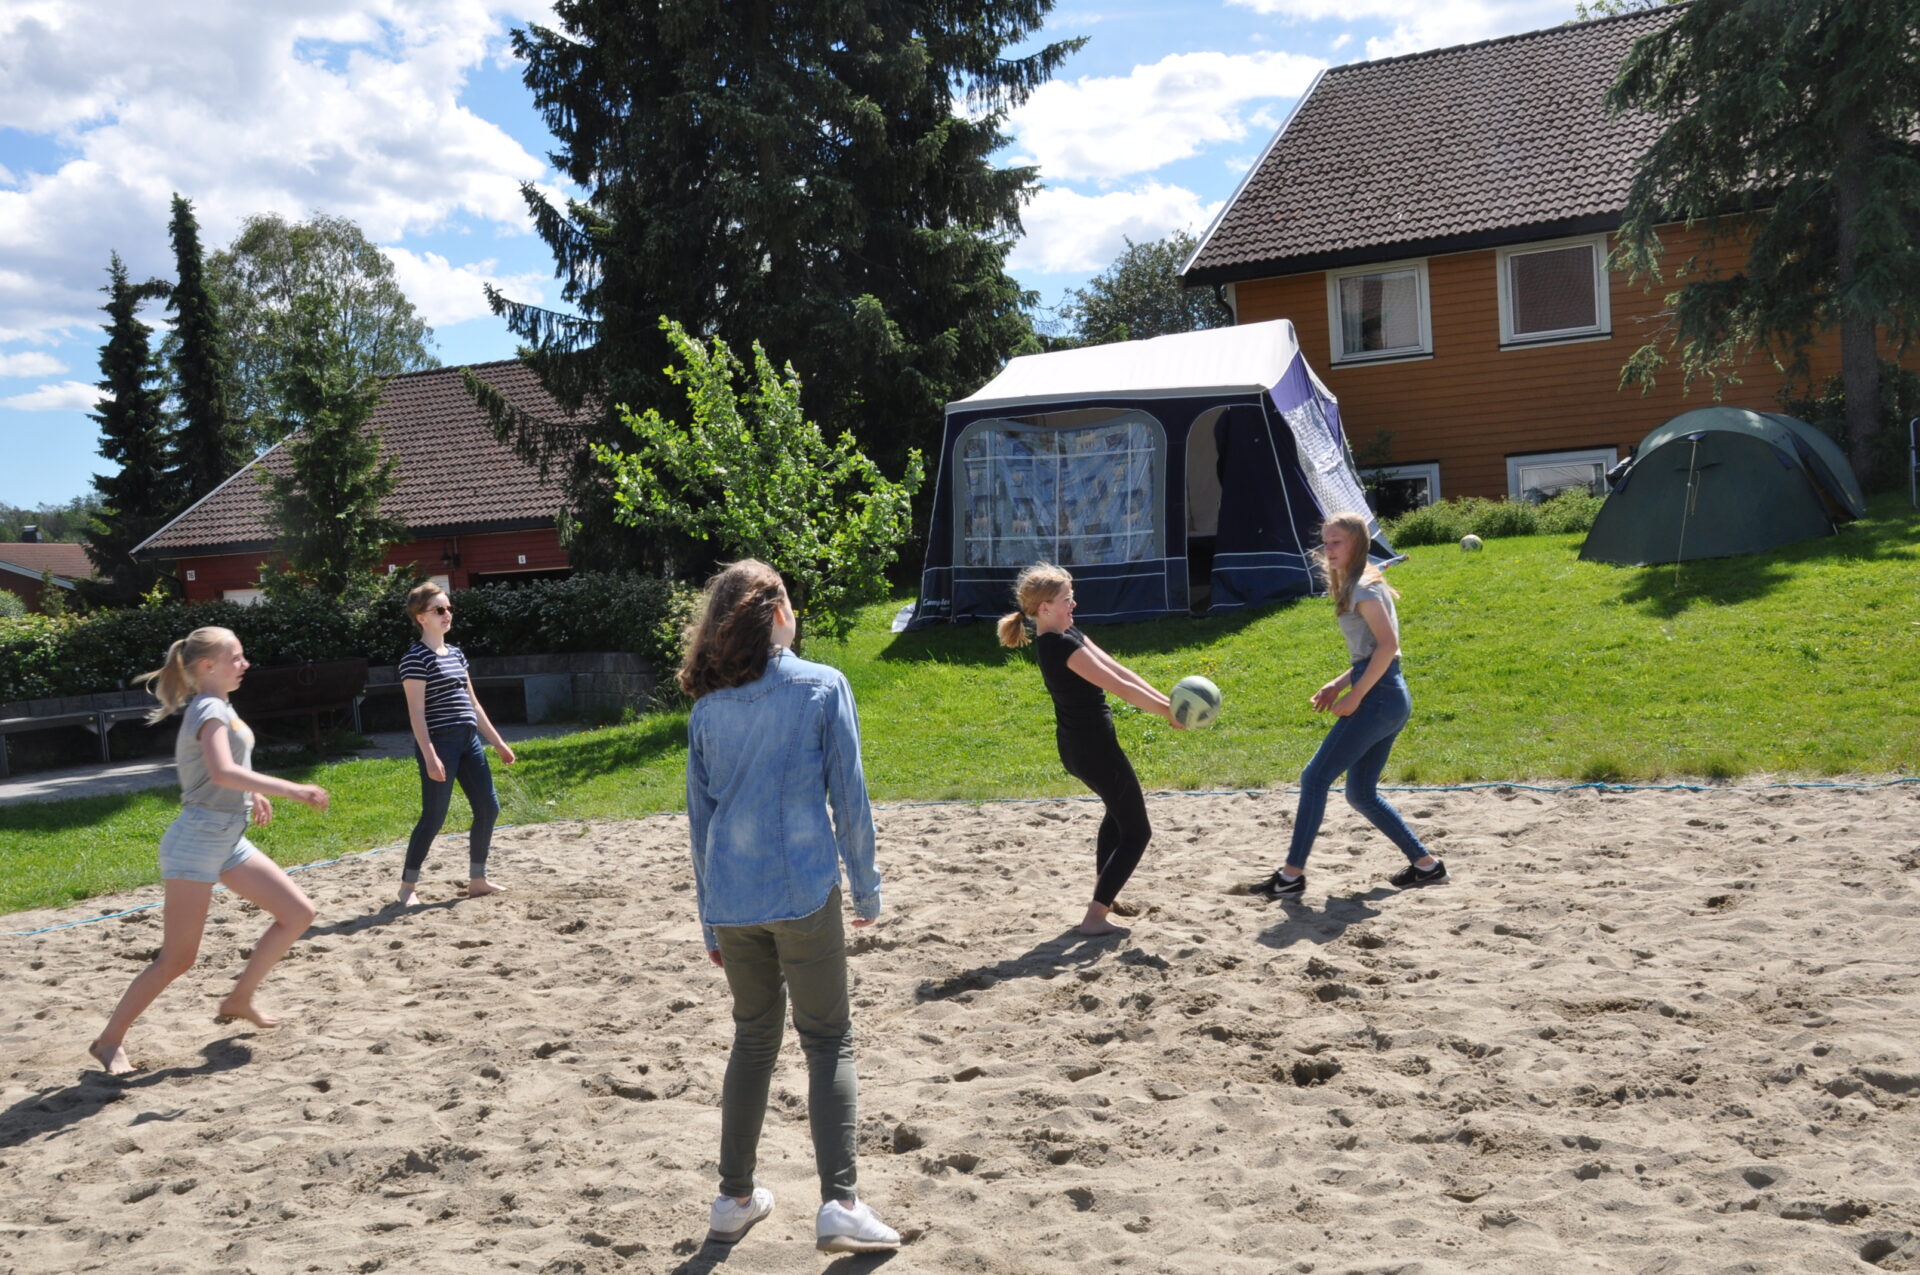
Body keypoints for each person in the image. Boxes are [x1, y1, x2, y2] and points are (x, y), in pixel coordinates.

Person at [681, 560, 900, 1255]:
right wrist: (866, 887)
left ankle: (733, 1197)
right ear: (776, 611)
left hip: (735, 901)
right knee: (828, 1038)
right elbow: (851, 799)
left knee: (753, 1038)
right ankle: (840, 1202)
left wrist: (709, 914)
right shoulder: (822, 686)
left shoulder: (707, 710)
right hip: (805, 891)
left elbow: (700, 823)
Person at [89, 627, 329, 1075]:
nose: (245, 663)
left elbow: (228, 768)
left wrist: (251, 794)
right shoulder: (208, 708)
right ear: (208, 666)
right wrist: (290, 789)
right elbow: (221, 771)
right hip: (197, 842)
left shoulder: (222, 707)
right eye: (236, 657)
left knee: (298, 914)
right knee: (178, 958)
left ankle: (239, 998)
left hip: (226, 839)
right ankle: (108, 1041)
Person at [1254, 512, 1446, 901]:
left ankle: (1291, 875)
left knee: (1314, 778)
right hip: (1388, 697)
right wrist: (1339, 683)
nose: (1328, 550)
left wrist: (1355, 696)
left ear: (1358, 543)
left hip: (1378, 699)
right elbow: (1373, 654)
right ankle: (1427, 866)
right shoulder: (1360, 584)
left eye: (1336, 542)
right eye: (1325, 542)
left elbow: (1389, 648)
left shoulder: (1364, 587)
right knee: (1360, 793)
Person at [997, 563, 1184, 937]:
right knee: (1137, 831)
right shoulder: (1058, 646)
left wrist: (1170, 703)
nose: (1074, 604)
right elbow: (1118, 687)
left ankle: (1105, 894)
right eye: (1067, 599)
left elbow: (1121, 671)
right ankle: (1095, 918)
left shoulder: (1068, 634)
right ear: (1045, 608)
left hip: (1081, 748)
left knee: (1118, 816)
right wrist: (1168, 712)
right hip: (1092, 750)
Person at [396, 582, 515, 907]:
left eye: (448, 608)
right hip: (439, 743)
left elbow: (473, 705)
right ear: (421, 617)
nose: (447, 614)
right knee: (434, 816)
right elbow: (417, 714)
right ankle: (408, 888)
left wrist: (499, 743)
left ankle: (478, 880)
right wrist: (431, 756)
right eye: (439, 610)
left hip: (468, 741)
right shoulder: (414, 659)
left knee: (489, 807)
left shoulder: (457, 654)